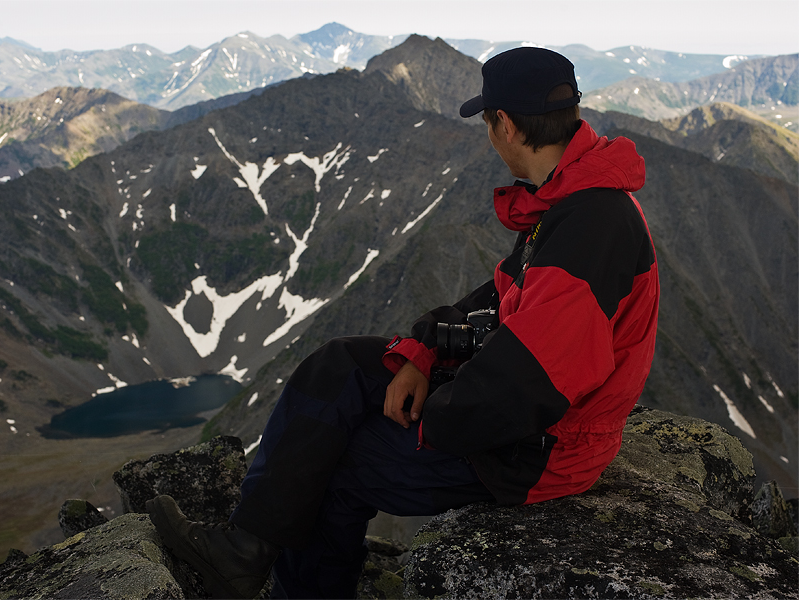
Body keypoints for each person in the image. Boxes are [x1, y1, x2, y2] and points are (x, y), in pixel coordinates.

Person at [147, 46, 659, 599]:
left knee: (335, 464)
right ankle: (244, 549)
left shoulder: (591, 226)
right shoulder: (568, 199)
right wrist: (422, 353)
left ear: (505, 125)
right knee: (338, 366)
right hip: (512, 411)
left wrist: (431, 421)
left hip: (539, 450)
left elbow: (533, 382)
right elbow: (501, 297)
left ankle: (285, 584)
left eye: (488, 122)